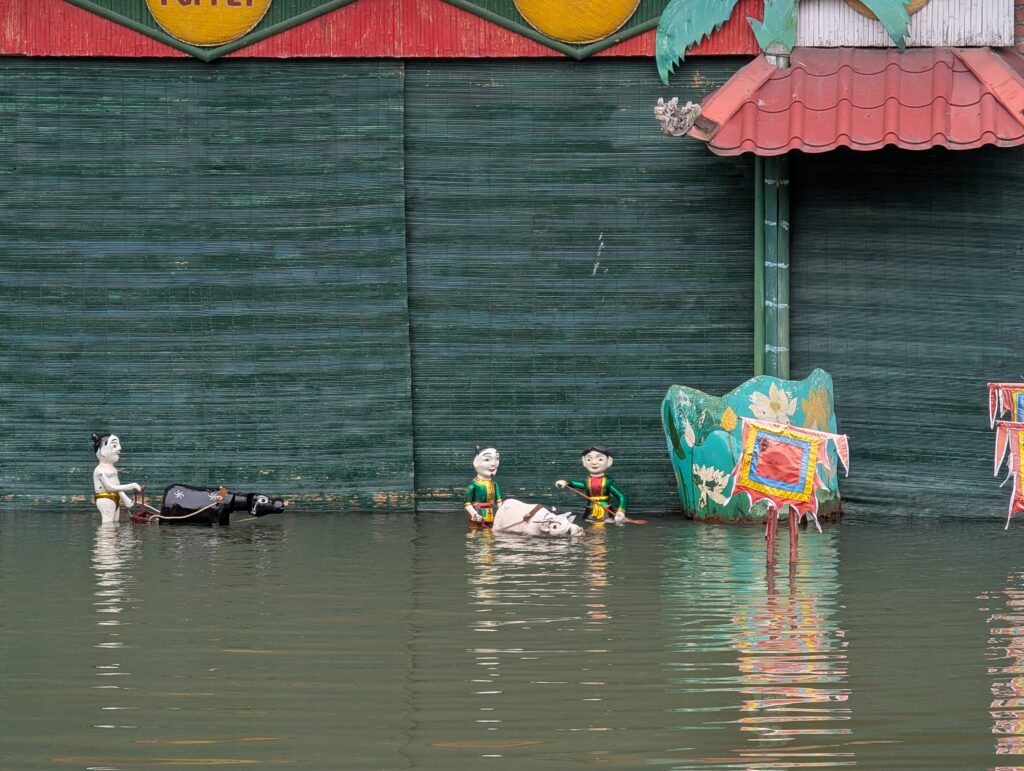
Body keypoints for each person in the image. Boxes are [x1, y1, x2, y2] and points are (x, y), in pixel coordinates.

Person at [556, 443, 627, 523]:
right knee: (590, 525)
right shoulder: (587, 482)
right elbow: (575, 484)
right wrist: (566, 483)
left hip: (606, 510)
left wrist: (620, 511)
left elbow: (621, 497)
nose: (594, 462)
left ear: (609, 461)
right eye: (589, 459)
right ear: (584, 462)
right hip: (590, 510)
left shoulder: (607, 483)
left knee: (606, 526)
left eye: (600, 459)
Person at [91, 433, 141, 524]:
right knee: (107, 525)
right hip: (105, 499)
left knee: (115, 523)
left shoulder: (113, 468)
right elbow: (110, 487)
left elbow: (117, 485)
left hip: (115, 498)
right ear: (102, 451)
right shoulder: (99, 471)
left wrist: (125, 499)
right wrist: (131, 486)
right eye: (114, 445)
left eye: (118, 445)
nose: (119, 448)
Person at [464, 445, 502, 528]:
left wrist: (502, 512)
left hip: (490, 514)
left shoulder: (494, 484)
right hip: (477, 514)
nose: (493, 464)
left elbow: (499, 501)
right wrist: (474, 514)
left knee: (489, 533)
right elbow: (467, 503)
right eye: (487, 459)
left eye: (497, 458)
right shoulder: (473, 485)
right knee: (474, 532)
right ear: (476, 463)